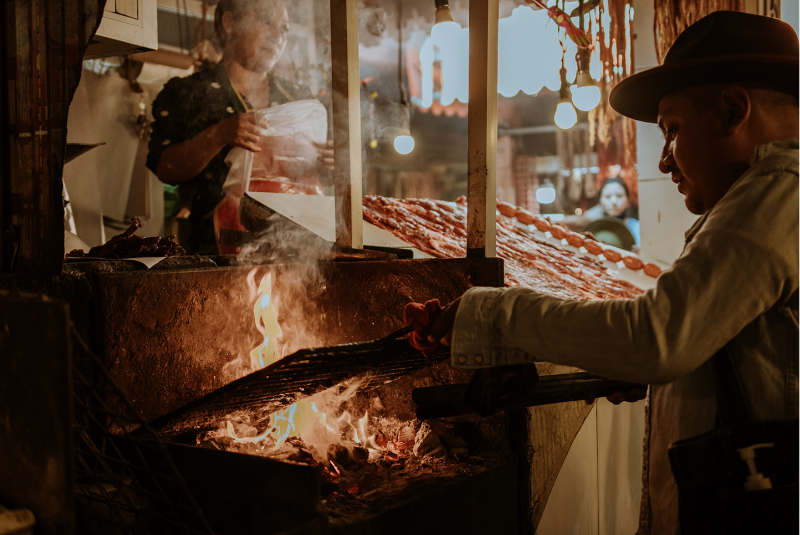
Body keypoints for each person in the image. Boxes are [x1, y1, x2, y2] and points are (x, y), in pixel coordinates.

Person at [413, 11, 798, 534]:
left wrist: (492, 312)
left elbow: (658, 338)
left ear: (732, 111)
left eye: (672, 131)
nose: (663, 161)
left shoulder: (779, 190)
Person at [146, 0, 333, 254]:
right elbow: (165, 168)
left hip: (296, 252)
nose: (278, 36)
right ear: (230, 22)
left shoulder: (299, 101)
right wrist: (218, 134)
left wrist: (332, 162)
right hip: (218, 251)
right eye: (266, 20)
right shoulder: (188, 92)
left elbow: (324, 181)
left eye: (285, 28)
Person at [568, 176, 641, 247]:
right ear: (600, 201)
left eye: (619, 196)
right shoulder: (591, 228)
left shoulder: (638, 228)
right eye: (608, 196)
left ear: (628, 200)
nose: (613, 201)